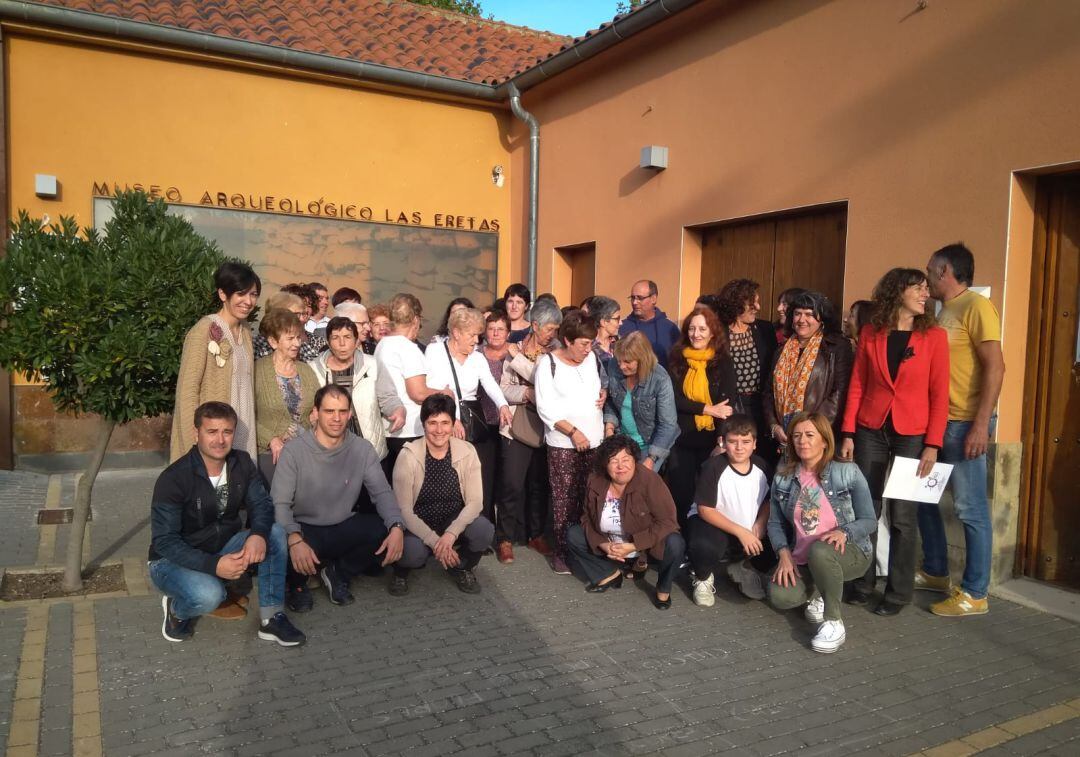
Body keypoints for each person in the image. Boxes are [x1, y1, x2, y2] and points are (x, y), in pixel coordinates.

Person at [839, 268, 949, 615]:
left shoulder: (934, 337)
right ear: (897, 291)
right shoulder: (872, 332)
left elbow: (940, 393)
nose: (925, 294)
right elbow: (857, 384)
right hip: (871, 428)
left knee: (903, 516)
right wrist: (848, 432)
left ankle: (898, 593)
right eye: (918, 288)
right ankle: (862, 581)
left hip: (913, 435)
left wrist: (933, 443)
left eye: (926, 289)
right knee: (866, 508)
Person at [151, 401, 305, 646]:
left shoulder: (241, 463)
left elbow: (262, 504)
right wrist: (214, 565)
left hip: (219, 547)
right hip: (170, 561)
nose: (220, 440)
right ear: (197, 433)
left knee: (274, 533)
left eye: (227, 432)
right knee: (209, 595)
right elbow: (165, 541)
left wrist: (257, 533)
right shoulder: (174, 479)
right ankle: (177, 609)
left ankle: (272, 618)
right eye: (212, 431)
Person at [919, 243, 1004, 616]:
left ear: (945, 271)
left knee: (970, 510)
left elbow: (996, 367)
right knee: (923, 501)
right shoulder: (944, 311)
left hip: (966, 423)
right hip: (939, 424)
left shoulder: (976, 307)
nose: (926, 277)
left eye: (930, 269)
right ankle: (937, 571)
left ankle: (975, 593)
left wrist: (981, 424)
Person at [272, 385, 406, 609]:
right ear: (315, 413)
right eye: (329, 411)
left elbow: (382, 493)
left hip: (343, 524)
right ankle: (296, 585)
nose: (337, 418)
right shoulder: (294, 451)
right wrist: (294, 539)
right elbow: (280, 504)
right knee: (279, 542)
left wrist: (397, 527)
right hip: (305, 529)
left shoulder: (362, 449)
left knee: (384, 528)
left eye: (342, 411)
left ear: (350, 414)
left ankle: (337, 573)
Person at [767, 412, 876, 653]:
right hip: (803, 557)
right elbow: (774, 523)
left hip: (851, 553)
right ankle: (820, 590)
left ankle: (834, 622)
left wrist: (845, 532)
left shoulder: (847, 472)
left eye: (809, 435)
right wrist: (783, 554)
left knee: (820, 550)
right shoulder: (783, 478)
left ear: (825, 440)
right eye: (796, 436)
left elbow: (870, 520)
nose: (802, 441)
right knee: (779, 596)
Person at [391, 395, 495, 595]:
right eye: (433, 423)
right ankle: (400, 572)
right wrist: (434, 540)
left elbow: (475, 502)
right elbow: (403, 510)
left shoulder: (467, 451)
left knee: (483, 529)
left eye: (445, 423)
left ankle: (462, 567)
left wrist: (450, 535)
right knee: (412, 552)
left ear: (453, 423)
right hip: (418, 521)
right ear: (424, 424)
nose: (439, 430)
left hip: (452, 520)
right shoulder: (408, 455)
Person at [567, 435, 684, 609]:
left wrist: (634, 545)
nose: (620, 466)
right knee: (574, 534)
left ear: (635, 461)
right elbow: (586, 518)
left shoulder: (650, 480)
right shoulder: (595, 480)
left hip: (645, 543)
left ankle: (663, 588)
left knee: (676, 543)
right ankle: (608, 574)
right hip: (611, 542)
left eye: (626, 459)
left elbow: (668, 521)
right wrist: (602, 544)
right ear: (605, 465)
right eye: (613, 461)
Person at [425, 307, 512, 530]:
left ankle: (480, 527)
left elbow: (490, 383)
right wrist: (452, 419)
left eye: (477, 335)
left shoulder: (477, 357)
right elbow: (436, 388)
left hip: (473, 420)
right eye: (472, 334)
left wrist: (502, 404)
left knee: (479, 473)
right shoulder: (435, 351)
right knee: (451, 476)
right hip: (443, 417)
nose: (477, 339)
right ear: (456, 332)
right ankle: (450, 528)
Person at [535, 310, 606, 574]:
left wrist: (604, 392)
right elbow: (546, 409)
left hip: (595, 441)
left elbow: (600, 383)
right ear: (567, 340)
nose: (588, 349)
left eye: (591, 343)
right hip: (564, 444)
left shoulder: (592, 360)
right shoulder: (548, 365)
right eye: (583, 344)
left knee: (590, 497)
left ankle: (588, 550)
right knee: (565, 500)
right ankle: (563, 553)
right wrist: (573, 432)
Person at [171, 262, 259, 463]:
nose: (248, 301)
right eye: (241, 294)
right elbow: (187, 392)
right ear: (222, 294)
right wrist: (194, 444)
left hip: (242, 434)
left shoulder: (245, 332)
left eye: (253, 294)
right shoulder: (203, 331)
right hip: (212, 440)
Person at [686, 414, 775, 605]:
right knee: (704, 547)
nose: (740, 447)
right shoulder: (712, 467)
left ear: (755, 443)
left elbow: (768, 501)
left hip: (747, 526)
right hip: (712, 521)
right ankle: (702, 576)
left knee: (773, 546)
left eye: (745, 441)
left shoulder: (762, 467)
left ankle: (742, 566)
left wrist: (760, 523)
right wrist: (741, 533)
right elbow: (705, 509)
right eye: (733, 441)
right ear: (723, 442)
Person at [500, 299, 563, 559]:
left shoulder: (558, 351)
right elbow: (503, 388)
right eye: (549, 328)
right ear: (535, 325)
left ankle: (536, 534)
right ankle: (505, 537)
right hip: (517, 424)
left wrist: (520, 361)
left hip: (547, 427)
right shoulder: (514, 347)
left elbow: (547, 381)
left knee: (539, 484)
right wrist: (526, 393)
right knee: (512, 483)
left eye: (556, 328)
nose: (553, 334)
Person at [665, 305, 737, 528]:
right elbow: (674, 399)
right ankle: (679, 539)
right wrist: (708, 409)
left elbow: (727, 406)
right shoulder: (677, 359)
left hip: (712, 440)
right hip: (682, 438)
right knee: (680, 493)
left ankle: (705, 540)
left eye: (702, 329)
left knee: (710, 496)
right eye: (692, 329)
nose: (696, 334)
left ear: (712, 332)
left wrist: (722, 440)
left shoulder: (723, 362)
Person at [764, 290, 853, 451]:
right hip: (783, 438)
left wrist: (809, 430)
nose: (802, 319)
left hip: (819, 437)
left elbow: (839, 393)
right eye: (797, 314)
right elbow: (769, 392)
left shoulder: (837, 347)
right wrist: (774, 427)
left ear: (822, 320)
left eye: (809, 314)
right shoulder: (781, 350)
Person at [309, 316, 405, 463]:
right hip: (328, 454)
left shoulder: (372, 365)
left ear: (356, 341)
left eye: (347, 337)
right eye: (335, 338)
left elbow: (388, 397)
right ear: (328, 342)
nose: (342, 344)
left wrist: (397, 410)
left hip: (368, 452)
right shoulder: (313, 369)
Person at [375, 293, 450, 475]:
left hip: (389, 428)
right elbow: (417, 393)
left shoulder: (382, 345)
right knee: (412, 489)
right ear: (416, 320)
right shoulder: (408, 349)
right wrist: (445, 393)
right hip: (410, 429)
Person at [253, 308, 319, 484]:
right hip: (269, 455)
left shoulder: (306, 371)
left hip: (305, 453)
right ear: (273, 342)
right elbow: (246, 414)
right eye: (290, 338)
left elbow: (316, 409)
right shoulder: (257, 371)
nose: (297, 343)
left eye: (298, 337)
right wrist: (271, 440)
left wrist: (316, 418)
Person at [717, 279, 777, 463]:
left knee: (762, 459)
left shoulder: (765, 329)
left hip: (761, 406)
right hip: (730, 407)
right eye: (752, 303)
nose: (757, 307)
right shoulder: (718, 332)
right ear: (736, 303)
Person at [603, 332, 679, 471]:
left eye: (627, 362)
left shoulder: (660, 379)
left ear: (642, 359)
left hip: (650, 445)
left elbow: (668, 425)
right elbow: (611, 400)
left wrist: (651, 458)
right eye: (619, 360)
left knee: (640, 486)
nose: (621, 366)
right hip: (622, 439)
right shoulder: (614, 366)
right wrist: (609, 428)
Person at [478, 310, 516, 562]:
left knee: (507, 482)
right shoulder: (475, 355)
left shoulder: (514, 355)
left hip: (509, 426)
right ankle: (483, 533)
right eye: (491, 328)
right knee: (484, 482)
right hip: (481, 424)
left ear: (508, 332)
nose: (495, 333)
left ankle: (505, 537)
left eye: (500, 329)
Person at [254, 285, 328, 362]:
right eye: (296, 314)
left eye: (309, 305)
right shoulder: (258, 345)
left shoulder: (306, 345)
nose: (302, 318)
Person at [619, 279, 681, 369]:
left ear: (653, 299)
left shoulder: (670, 328)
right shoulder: (622, 327)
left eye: (640, 298)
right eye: (632, 298)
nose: (634, 302)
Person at [589, 295, 622, 373]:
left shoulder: (620, 341)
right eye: (617, 319)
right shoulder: (588, 346)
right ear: (603, 322)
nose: (621, 323)